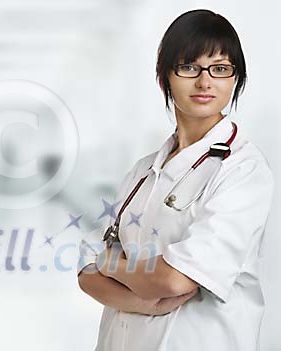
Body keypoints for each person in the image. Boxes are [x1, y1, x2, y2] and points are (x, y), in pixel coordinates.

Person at [77, 9, 274, 351]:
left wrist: (111, 264)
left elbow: (173, 280)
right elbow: (85, 271)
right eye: (188, 67)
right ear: (163, 77)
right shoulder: (142, 171)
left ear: (235, 79)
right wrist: (140, 300)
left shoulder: (242, 170)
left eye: (221, 69)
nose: (205, 81)